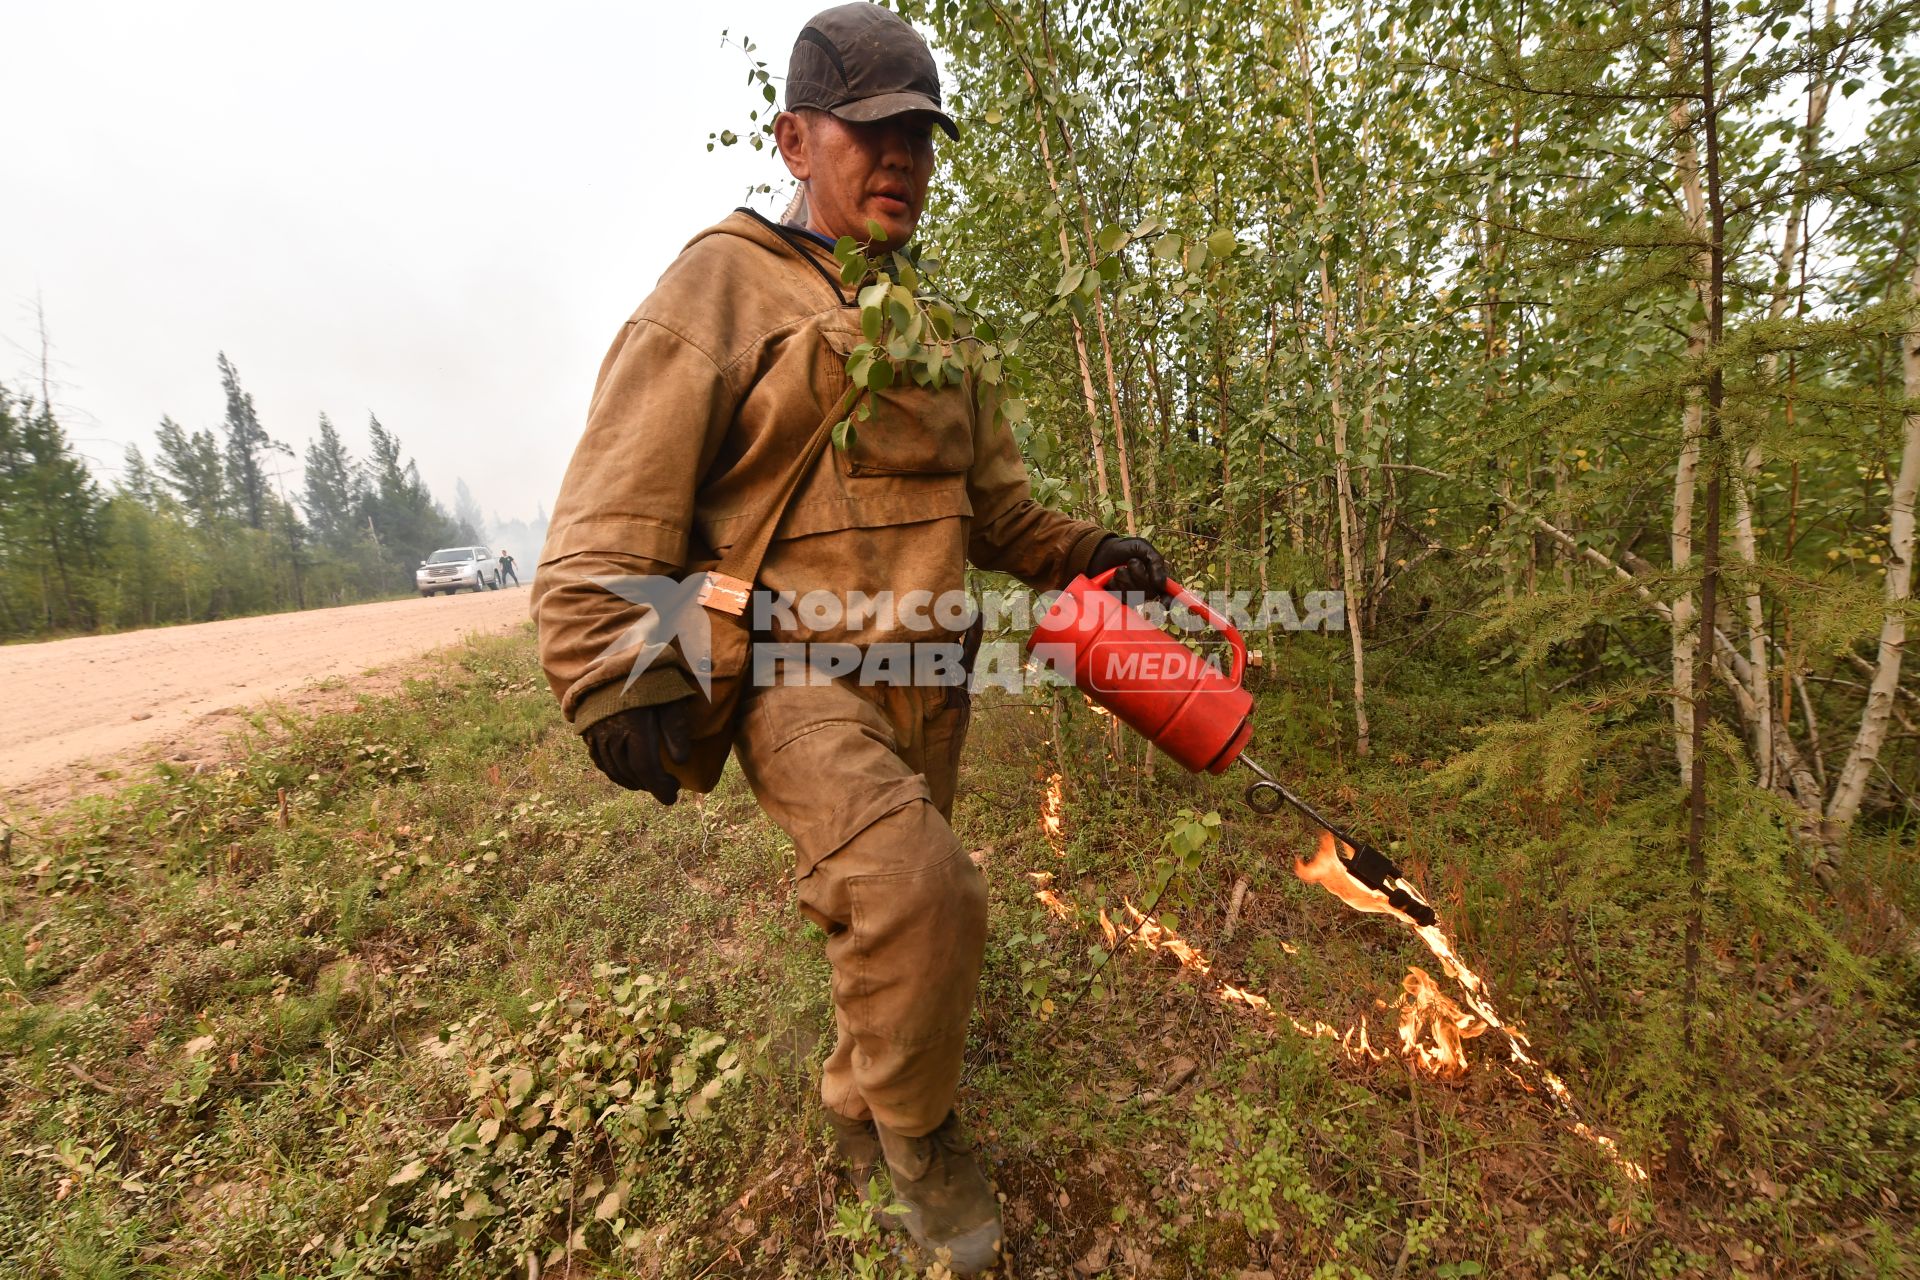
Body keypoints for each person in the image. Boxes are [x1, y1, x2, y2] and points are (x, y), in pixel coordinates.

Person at [531, 5, 1172, 1272]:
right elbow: (605, 520)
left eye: (920, 137)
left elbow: (996, 509)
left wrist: (1088, 550)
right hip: (795, 674)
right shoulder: (724, 282)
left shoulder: (929, 329)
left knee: (878, 905)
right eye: (872, 131)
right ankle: (917, 1138)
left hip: (931, 680)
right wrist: (606, 676)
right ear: (795, 137)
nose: (900, 160)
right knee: (923, 890)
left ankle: (848, 1095)